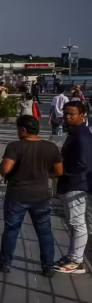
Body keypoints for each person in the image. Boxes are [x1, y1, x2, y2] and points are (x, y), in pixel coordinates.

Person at [0, 116, 63, 276]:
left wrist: (1, 168)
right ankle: (48, 267)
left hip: (17, 194)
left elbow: (6, 169)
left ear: (23, 129)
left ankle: (5, 263)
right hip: (41, 195)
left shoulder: (15, 146)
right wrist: (44, 175)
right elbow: (59, 171)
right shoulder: (50, 147)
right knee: (44, 231)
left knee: (11, 230)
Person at [54, 101, 92, 274]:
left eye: (72, 114)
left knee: (77, 222)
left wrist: (61, 172)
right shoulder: (75, 133)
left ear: (82, 116)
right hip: (71, 183)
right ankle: (72, 256)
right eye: (66, 113)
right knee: (73, 222)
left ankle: (76, 261)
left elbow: (84, 164)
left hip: (77, 184)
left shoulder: (82, 136)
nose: (68, 116)